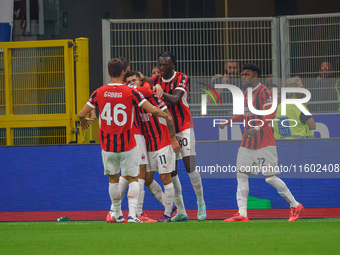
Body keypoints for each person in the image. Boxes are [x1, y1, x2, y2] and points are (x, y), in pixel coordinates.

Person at [78, 58, 176, 223]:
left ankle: (116, 213)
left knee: (114, 179)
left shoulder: (99, 91)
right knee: (135, 177)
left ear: (108, 72)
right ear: (123, 73)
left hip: (107, 144)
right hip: (128, 141)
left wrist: (88, 117)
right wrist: (165, 115)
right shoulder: (131, 91)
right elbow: (151, 106)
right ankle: (134, 214)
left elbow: (81, 114)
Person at [220, 63, 303, 222]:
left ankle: (294, 204)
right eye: (243, 74)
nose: (244, 77)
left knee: (270, 177)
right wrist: (228, 122)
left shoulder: (264, 92)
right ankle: (242, 214)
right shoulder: (245, 93)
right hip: (247, 143)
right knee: (241, 175)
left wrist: (257, 129)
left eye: (248, 74)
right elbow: (243, 115)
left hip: (264, 142)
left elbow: (270, 114)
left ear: (256, 76)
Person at [153, 51, 206, 222]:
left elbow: (175, 99)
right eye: (160, 64)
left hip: (183, 127)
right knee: (172, 171)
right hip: (167, 130)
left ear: (172, 65)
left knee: (190, 166)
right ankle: (181, 210)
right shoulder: (154, 80)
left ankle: (201, 203)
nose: (162, 67)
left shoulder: (182, 77)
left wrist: (159, 93)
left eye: (165, 64)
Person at [125, 70, 180, 222]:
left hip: (163, 143)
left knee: (165, 178)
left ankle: (168, 214)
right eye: (128, 81)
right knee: (147, 179)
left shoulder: (153, 97)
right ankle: (168, 205)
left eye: (134, 80)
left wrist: (173, 139)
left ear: (140, 81)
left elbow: (168, 116)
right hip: (148, 145)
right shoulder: (134, 100)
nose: (131, 83)